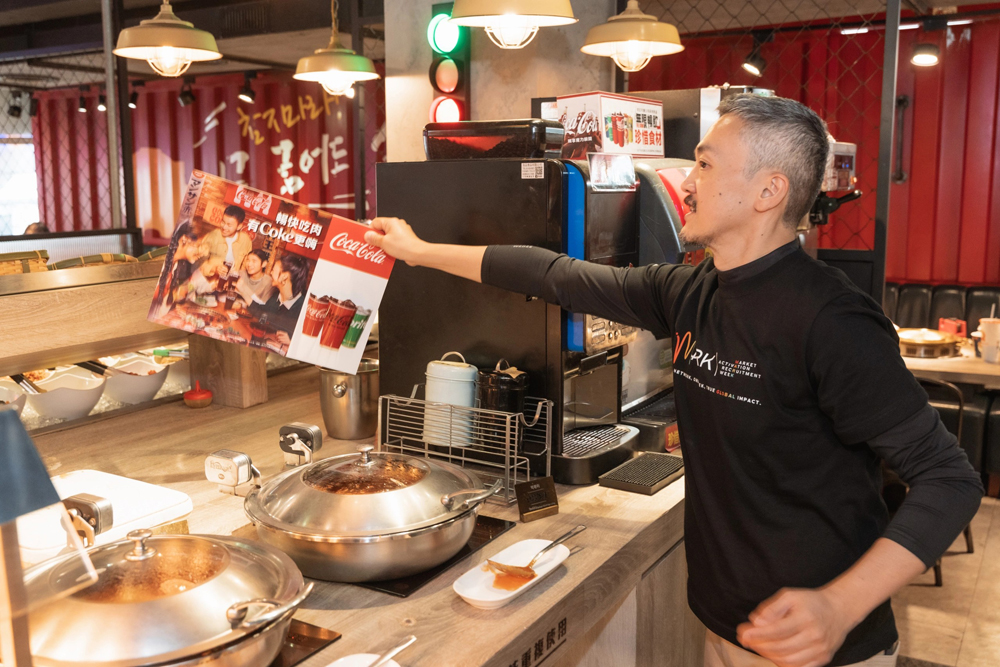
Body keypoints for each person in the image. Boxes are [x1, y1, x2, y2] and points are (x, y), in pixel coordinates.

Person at [362, 94, 984, 667]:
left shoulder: (832, 320)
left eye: (706, 166)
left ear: (768, 191)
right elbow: (554, 274)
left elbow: (950, 480)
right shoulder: (691, 293)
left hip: (825, 648)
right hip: (722, 626)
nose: (686, 181)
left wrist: (840, 606)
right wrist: (418, 251)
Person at [248, 252, 309, 346]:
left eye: (273, 270)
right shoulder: (276, 297)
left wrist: (291, 342)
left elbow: (307, 344)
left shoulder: (304, 308)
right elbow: (262, 314)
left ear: (284, 277)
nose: (270, 273)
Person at [203, 205, 253, 277]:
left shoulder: (245, 240)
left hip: (231, 281)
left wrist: (240, 277)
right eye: (223, 222)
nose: (224, 227)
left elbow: (246, 265)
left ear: (239, 226)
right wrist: (214, 269)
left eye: (229, 225)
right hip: (209, 280)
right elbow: (199, 261)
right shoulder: (213, 235)